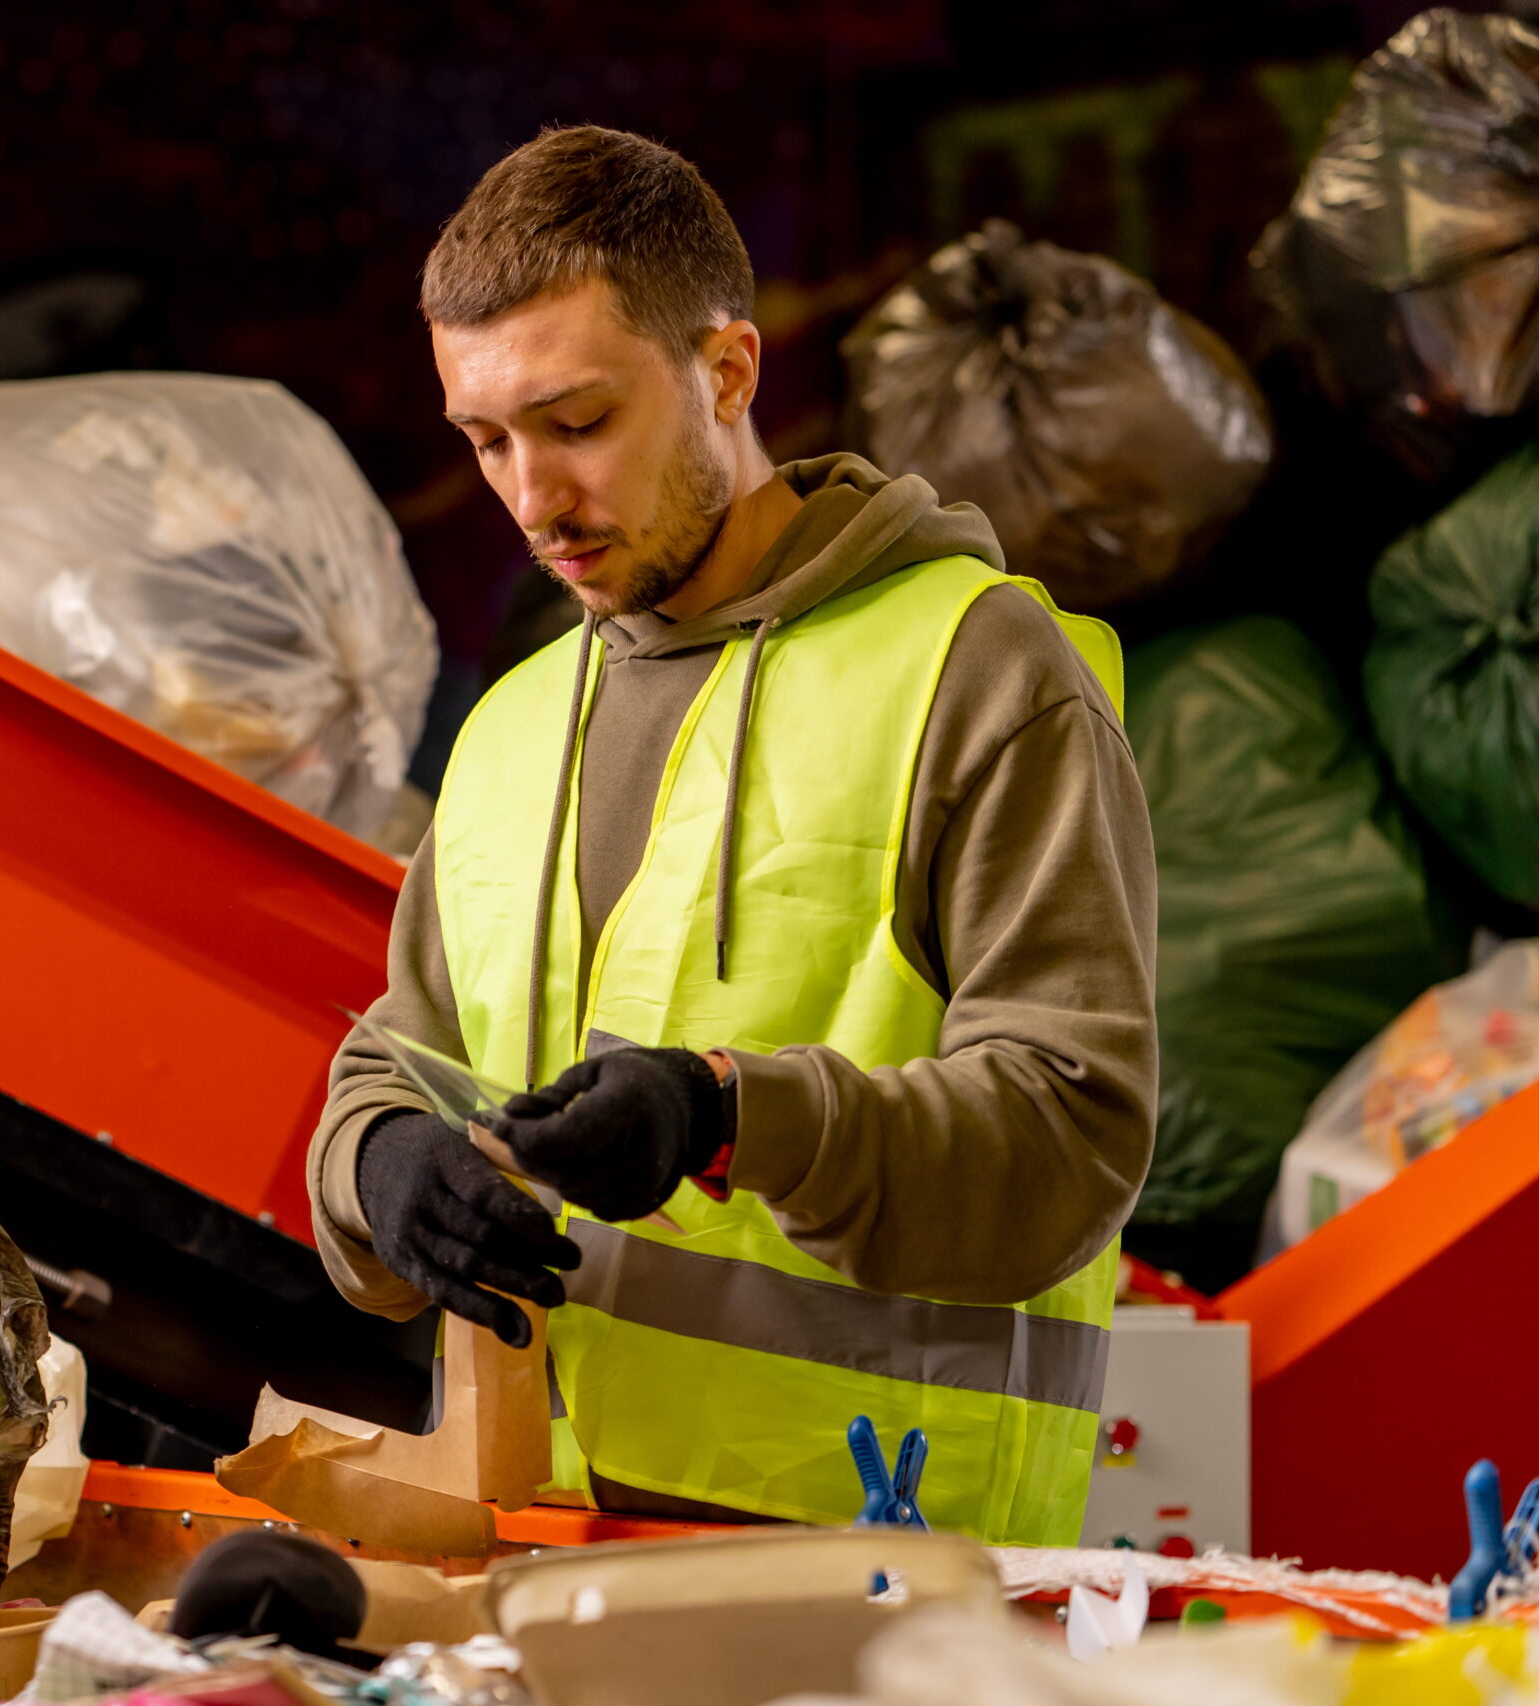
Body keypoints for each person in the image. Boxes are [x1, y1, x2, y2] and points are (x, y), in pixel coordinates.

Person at [306, 127, 1156, 1546]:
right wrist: (379, 1163)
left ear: (728, 372)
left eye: (577, 424)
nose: (530, 498)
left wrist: (728, 1112)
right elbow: (394, 1052)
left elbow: (1071, 1132)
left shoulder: (977, 669)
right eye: (485, 439)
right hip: (548, 1550)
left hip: (894, 1579)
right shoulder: (515, 724)